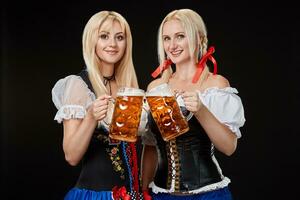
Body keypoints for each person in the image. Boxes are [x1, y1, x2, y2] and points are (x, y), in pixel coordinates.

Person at [141, 9, 246, 200]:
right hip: (161, 194)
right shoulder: (156, 87)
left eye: (180, 36)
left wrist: (201, 110)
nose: (172, 45)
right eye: (166, 38)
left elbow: (229, 147)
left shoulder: (215, 84)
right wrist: (142, 191)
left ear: (198, 38)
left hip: (208, 194)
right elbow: (151, 147)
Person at [52, 11, 146, 200]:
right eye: (104, 36)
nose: (112, 44)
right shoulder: (79, 85)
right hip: (95, 195)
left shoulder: (129, 88)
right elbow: (71, 156)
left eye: (119, 37)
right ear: (92, 40)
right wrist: (90, 117)